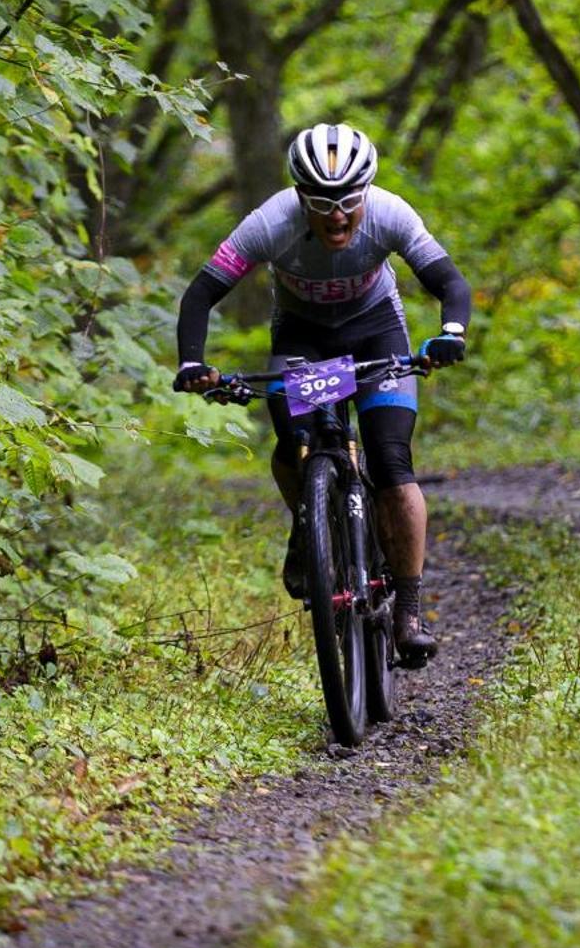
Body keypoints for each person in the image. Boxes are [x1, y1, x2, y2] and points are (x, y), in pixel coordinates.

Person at [172, 123, 471, 666]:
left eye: (349, 200)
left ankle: (407, 609)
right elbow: (202, 293)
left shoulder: (390, 213)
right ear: (299, 197)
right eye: (321, 201)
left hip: (377, 332)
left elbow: (449, 282)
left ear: (366, 193)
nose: (337, 214)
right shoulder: (269, 223)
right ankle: (309, 527)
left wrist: (451, 334)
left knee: (390, 461)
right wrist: (193, 362)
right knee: (293, 442)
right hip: (304, 342)